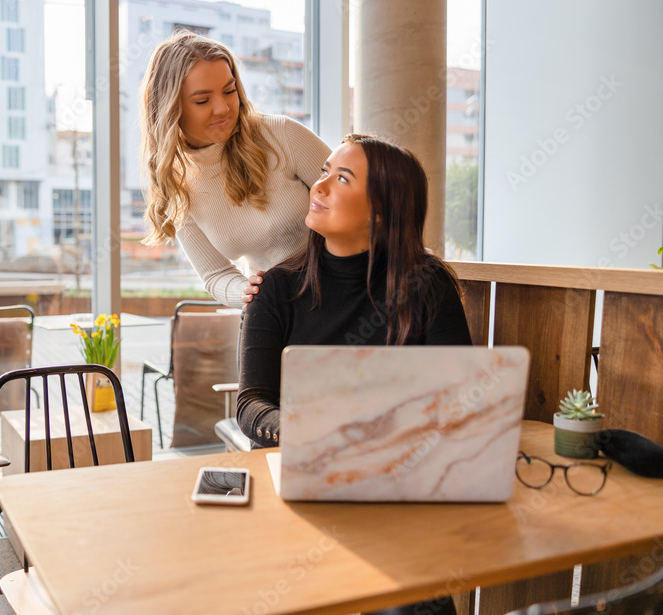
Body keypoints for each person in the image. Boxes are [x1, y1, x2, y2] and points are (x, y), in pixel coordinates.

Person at [237, 134, 473, 448]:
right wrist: (305, 431)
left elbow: (457, 395)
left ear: (381, 210)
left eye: (343, 179)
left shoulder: (428, 284)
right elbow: (251, 403)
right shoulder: (274, 289)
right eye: (324, 171)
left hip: (397, 460)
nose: (319, 186)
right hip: (295, 458)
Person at [140, 31, 331, 308]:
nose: (223, 108)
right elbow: (215, 274)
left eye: (230, 91)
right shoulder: (178, 185)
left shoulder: (283, 136)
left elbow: (362, 206)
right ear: (170, 107)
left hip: (341, 295)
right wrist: (248, 290)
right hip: (275, 311)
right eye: (202, 100)